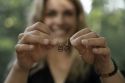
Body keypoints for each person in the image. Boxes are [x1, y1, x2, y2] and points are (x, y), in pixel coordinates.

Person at [4, 0, 125, 83]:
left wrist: (106, 67)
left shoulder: (92, 57)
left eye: (67, 13)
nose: (60, 21)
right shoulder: (25, 60)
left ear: (78, 18)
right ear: (40, 18)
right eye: (51, 13)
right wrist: (21, 68)